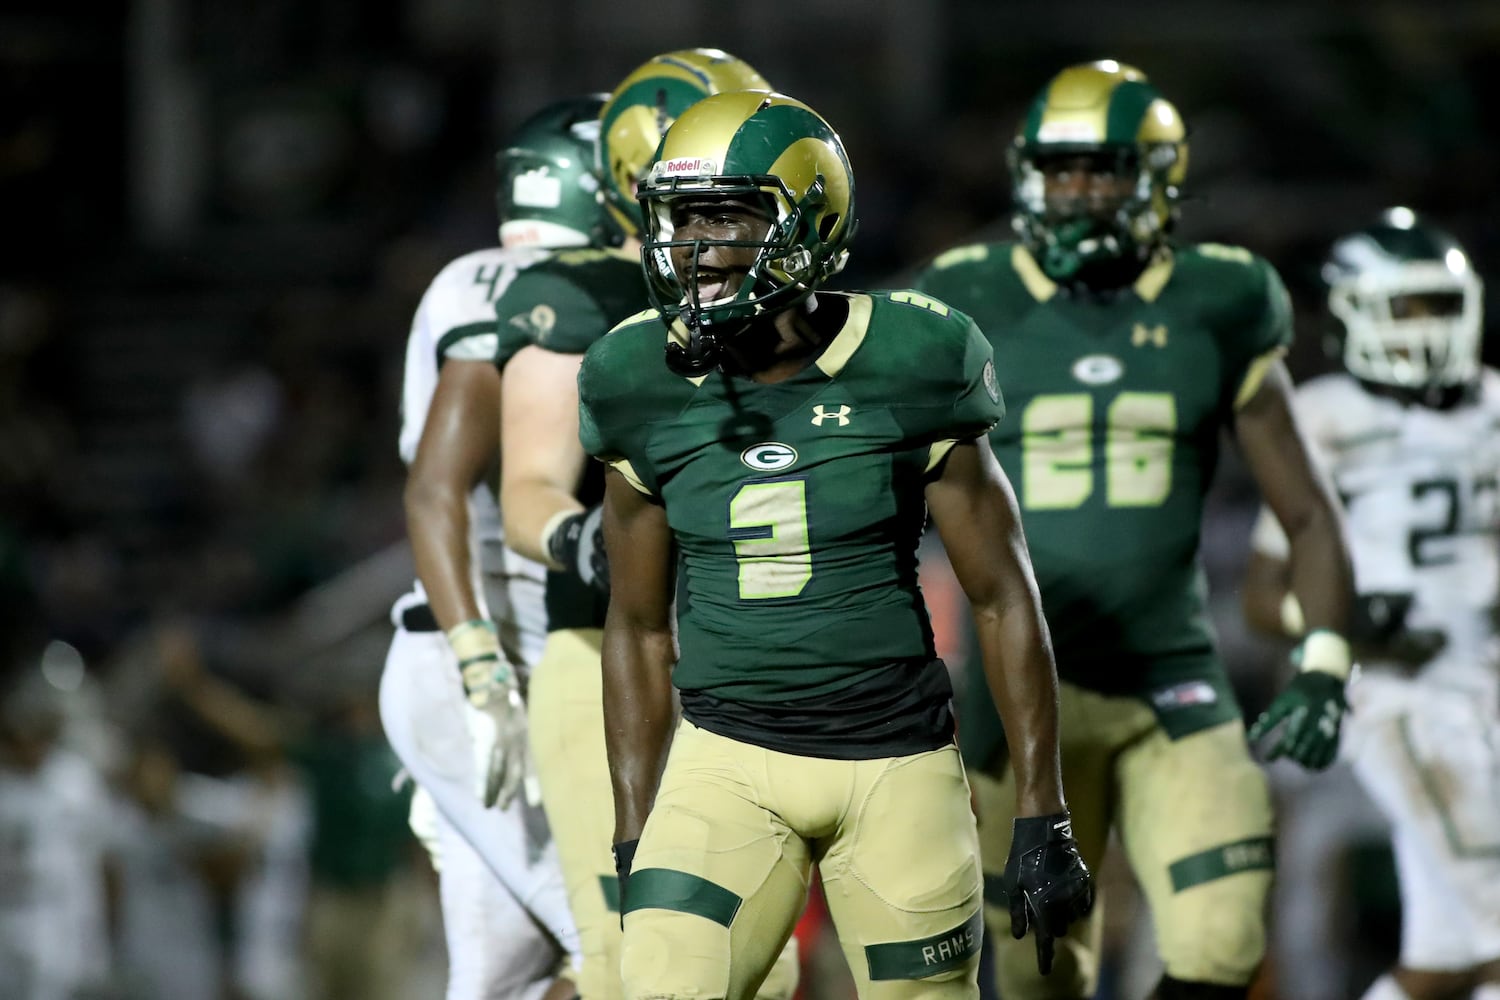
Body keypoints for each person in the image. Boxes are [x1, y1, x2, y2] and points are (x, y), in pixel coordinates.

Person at [577, 88, 1092, 1000]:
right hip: (726, 755)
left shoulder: (914, 356)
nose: (692, 247)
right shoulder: (633, 374)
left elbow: (1004, 595)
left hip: (895, 760)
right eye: (681, 217)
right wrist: (632, 821)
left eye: (727, 215)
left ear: (810, 218)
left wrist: (1042, 811)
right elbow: (638, 623)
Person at [912, 60, 1354, 1000]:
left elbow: (1310, 510)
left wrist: (1323, 659)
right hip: (1017, 698)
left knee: (1223, 940)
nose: (1076, 194)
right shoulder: (966, 293)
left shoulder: (1221, 298)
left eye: (1101, 169)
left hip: (1171, 680)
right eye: (1058, 169)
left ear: (1157, 176)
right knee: (1041, 976)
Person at [497, 49, 799, 1000]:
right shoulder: (579, 299)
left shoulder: (796, 302)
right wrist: (580, 540)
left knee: (764, 964)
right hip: (607, 654)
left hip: (742, 670)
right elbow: (529, 485)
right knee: (630, 962)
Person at [378, 96, 618, 1000]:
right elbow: (437, 485)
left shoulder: (481, 278)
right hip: (489, 654)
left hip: (504, 656)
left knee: (502, 980)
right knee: (622, 948)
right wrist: (478, 677)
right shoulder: (505, 288)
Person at [1242, 208, 1500, 1000]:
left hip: (1486, 681)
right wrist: (1343, 623)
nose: (1423, 326)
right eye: (1404, 306)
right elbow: (1262, 597)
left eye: (1437, 305)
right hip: (1398, 696)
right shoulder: (1322, 416)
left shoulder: (1494, 402)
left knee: (1448, 960)